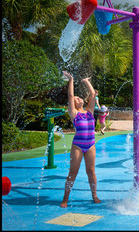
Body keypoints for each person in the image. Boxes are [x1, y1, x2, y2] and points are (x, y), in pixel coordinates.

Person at [60, 71, 101, 208]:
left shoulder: (89, 112)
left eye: (79, 98)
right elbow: (70, 96)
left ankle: (94, 195)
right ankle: (65, 198)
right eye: (76, 99)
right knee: (73, 172)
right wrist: (71, 79)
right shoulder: (74, 113)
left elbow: (93, 94)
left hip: (90, 145)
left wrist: (86, 81)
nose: (78, 99)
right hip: (78, 145)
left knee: (91, 171)